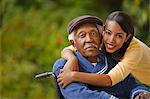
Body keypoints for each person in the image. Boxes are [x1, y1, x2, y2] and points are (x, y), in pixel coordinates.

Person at [52, 15, 149, 99]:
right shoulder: (63, 66)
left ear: (100, 38)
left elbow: (131, 84)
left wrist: (140, 93)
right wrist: (72, 59)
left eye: (93, 33)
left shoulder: (111, 58)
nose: (89, 39)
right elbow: (80, 95)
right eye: (82, 35)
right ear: (73, 43)